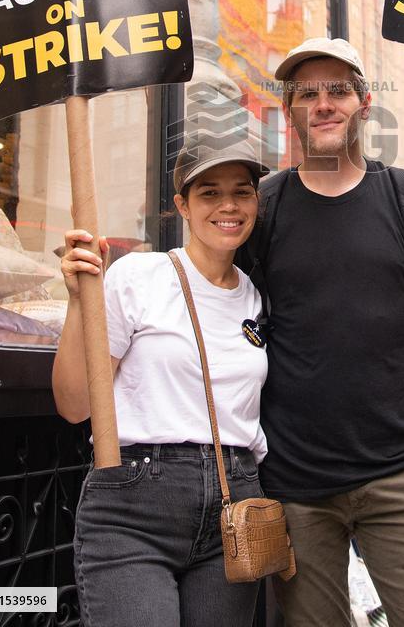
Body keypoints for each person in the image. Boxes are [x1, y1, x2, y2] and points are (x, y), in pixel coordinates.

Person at [237, 36, 404, 627]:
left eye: (337, 91)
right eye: (307, 94)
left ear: (363, 103)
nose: (323, 104)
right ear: (290, 111)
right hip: (295, 484)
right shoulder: (264, 207)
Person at [52, 135, 270, 627]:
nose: (229, 206)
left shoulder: (257, 298)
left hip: (235, 505)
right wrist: (77, 302)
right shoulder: (139, 276)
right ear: (182, 206)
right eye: (209, 193)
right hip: (136, 505)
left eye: (242, 191)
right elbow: (73, 403)